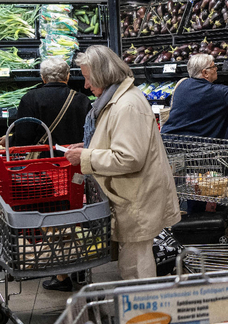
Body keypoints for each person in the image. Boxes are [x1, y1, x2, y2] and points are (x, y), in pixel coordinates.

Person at [64, 45, 181, 280]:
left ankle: (146, 313)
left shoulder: (126, 105)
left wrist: (85, 157)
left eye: (88, 78)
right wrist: (87, 148)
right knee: (133, 262)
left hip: (138, 197)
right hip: (131, 195)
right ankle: (141, 312)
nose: (85, 85)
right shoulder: (116, 99)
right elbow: (118, 142)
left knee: (137, 266)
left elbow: (129, 158)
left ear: (103, 75)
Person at [0, 57, 92, 292]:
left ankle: (57, 268)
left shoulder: (30, 99)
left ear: (42, 78)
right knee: (73, 212)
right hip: (74, 169)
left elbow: (26, 138)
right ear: (68, 76)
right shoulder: (81, 99)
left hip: (42, 172)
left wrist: (11, 139)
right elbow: (90, 135)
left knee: (46, 215)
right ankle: (77, 262)